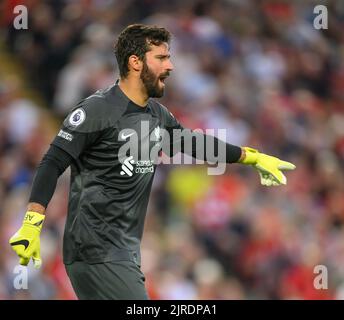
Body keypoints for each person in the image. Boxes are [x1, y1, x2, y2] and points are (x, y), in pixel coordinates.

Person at [9, 24, 295, 300]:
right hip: (97, 250)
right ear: (135, 63)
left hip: (123, 254)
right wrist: (33, 224)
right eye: (161, 58)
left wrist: (251, 157)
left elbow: (195, 143)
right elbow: (52, 162)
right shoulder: (97, 109)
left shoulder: (157, 115)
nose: (169, 67)